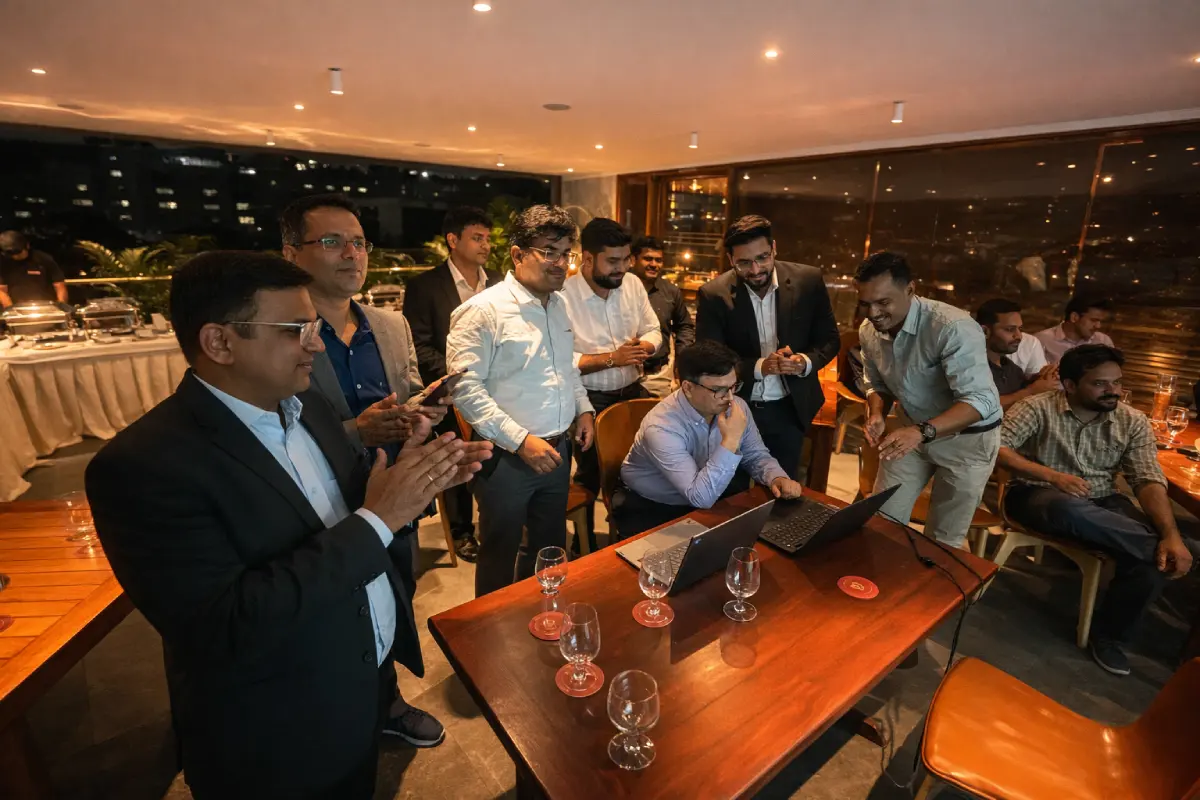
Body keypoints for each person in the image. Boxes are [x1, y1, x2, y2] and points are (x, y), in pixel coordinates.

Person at [85, 251, 492, 799]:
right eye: (297, 330)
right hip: (278, 731)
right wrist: (380, 518)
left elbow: (343, 509)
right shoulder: (143, 466)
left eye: (315, 328)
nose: (317, 345)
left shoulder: (309, 407)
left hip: (358, 684)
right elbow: (224, 627)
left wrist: (413, 479)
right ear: (219, 342)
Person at [280, 193, 448, 749]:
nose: (352, 254)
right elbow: (272, 429)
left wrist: (421, 413)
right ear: (291, 252)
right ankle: (336, 713)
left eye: (359, 242)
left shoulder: (390, 324)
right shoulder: (282, 331)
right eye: (332, 242)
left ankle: (386, 701)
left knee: (394, 594)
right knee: (331, 608)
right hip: (318, 501)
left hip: (395, 493)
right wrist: (358, 431)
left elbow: (406, 394)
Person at [998, 344, 1195, 676]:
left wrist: (1171, 535)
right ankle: (1189, 552)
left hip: (1102, 500)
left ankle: (1109, 637)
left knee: (1152, 560)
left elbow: (1146, 479)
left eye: (1117, 382)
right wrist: (1052, 476)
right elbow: (996, 447)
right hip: (1037, 494)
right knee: (1068, 509)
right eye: (1100, 384)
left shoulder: (1131, 420)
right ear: (1070, 385)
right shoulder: (1037, 407)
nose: (1112, 390)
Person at [446, 205, 595, 597]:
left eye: (566, 254)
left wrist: (583, 408)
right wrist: (520, 440)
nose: (561, 263)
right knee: (500, 552)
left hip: (557, 449)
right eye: (549, 252)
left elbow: (566, 367)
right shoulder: (483, 310)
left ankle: (539, 616)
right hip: (505, 457)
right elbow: (465, 389)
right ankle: (488, 629)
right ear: (517, 254)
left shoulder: (558, 304)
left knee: (547, 550)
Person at [856, 252, 1001, 548]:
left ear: (910, 289)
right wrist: (877, 412)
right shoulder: (868, 331)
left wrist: (920, 432)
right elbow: (876, 382)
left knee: (942, 540)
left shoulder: (952, 327)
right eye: (865, 303)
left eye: (883, 302)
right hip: (911, 429)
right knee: (882, 521)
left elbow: (981, 400)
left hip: (967, 441)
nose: (873, 313)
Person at [694, 215, 840, 479]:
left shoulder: (808, 281)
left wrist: (804, 362)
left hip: (790, 408)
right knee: (731, 490)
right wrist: (761, 367)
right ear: (730, 260)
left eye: (762, 257)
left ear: (774, 248)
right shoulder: (713, 294)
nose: (755, 269)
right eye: (744, 263)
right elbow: (708, 360)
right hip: (734, 407)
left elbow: (829, 339)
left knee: (782, 487)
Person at [614, 341, 805, 537]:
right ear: (688, 387)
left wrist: (776, 477)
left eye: (733, 386)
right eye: (718, 390)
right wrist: (731, 440)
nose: (729, 397)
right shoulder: (661, 427)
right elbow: (700, 497)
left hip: (711, 493)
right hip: (655, 506)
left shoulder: (735, 406)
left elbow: (755, 454)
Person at [403, 207, 502, 563]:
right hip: (453, 390)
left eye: (487, 238)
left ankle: (498, 520)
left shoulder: (499, 281)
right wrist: (461, 374)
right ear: (453, 240)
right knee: (456, 456)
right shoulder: (425, 286)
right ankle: (462, 531)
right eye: (477, 238)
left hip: (499, 389)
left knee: (498, 456)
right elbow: (418, 345)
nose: (486, 245)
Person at [560, 218, 660, 514]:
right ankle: (585, 536)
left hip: (632, 391)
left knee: (639, 471)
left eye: (626, 259)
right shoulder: (563, 296)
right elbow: (562, 360)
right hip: (588, 399)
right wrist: (613, 359)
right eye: (613, 261)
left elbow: (653, 329)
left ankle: (628, 530)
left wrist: (644, 347)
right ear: (588, 259)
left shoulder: (632, 284)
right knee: (590, 475)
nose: (623, 268)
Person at [629, 234, 695, 397]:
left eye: (658, 260)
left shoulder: (670, 292)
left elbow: (684, 327)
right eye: (648, 259)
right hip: (623, 374)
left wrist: (681, 360)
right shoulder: (619, 288)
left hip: (657, 377)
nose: (654, 264)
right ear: (633, 260)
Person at [975, 298, 1061, 410]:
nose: (1019, 336)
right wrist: (1031, 391)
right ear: (985, 331)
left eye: (1019, 329)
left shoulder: (1011, 368)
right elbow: (979, 408)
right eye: (1010, 329)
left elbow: (1021, 390)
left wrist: (1041, 378)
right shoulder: (972, 367)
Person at [1033, 295, 1114, 364]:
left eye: (1101, 321)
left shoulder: (1103, 341)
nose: (1098, 326)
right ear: (1074, 317)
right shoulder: (1041, 340)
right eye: (1093, 320)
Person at [0, 231, 68, 308]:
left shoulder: (44, 259)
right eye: (11, 254)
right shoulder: (4, 262)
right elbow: (1, 290)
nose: (15, 256)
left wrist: (61, 306)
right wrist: (11, 309)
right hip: (15, 306)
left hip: (46, 306)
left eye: (18, 252)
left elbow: (59, 286)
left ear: (27, 246)